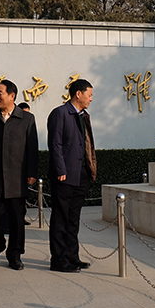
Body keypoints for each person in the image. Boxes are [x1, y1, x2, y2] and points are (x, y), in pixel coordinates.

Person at [0, 80, 39, 270]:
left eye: (0, 93)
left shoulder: (27, 119)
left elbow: (32, 148)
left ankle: (15, 254)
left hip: (17, 177)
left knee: (16, 219)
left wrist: (32, 172)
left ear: (12, 96)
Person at [46, 78, 97, 273]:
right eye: (89, 95)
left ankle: (72, 256)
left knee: (73, 218)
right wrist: (60, 169)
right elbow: (55, 143)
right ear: (78, 94)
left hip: (81, 174)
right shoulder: (60, 113)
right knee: (61, 218)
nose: (91, 99)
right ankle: (58, 260)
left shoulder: (83, 116)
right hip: (65, 175)